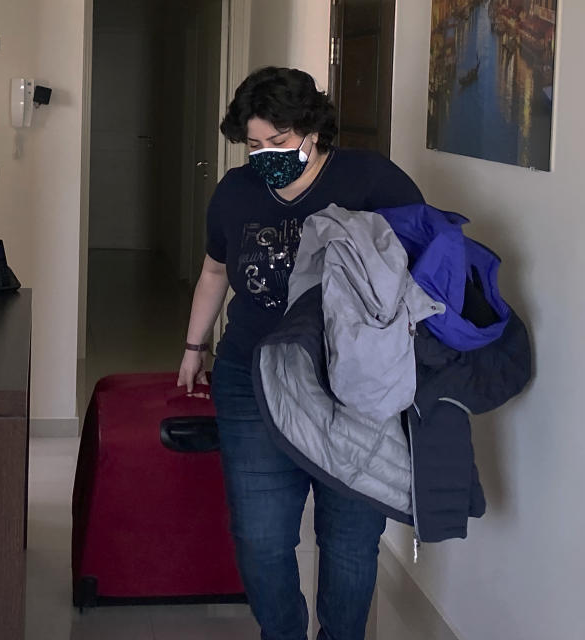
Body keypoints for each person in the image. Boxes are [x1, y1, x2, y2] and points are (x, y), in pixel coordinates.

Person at [177, 66, 424, 640]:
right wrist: (194, 346)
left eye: (279, 142)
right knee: (261, 534)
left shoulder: (371, 181)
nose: (265, 155)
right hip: (253, 372)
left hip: (352, 381)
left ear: (311, 131)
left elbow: (418, 267)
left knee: (350, 534)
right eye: (253, 144)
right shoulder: (235, 193)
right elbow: (215, 271)